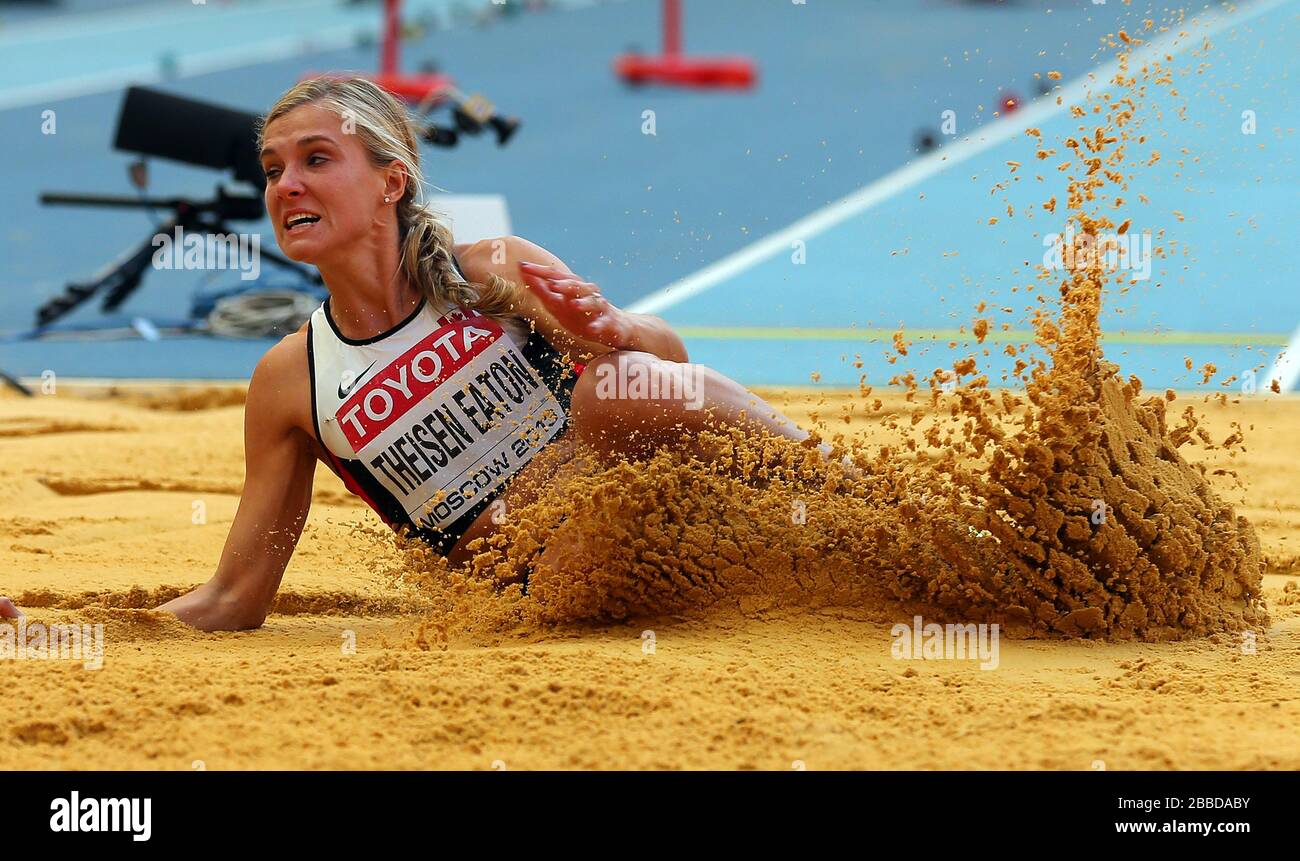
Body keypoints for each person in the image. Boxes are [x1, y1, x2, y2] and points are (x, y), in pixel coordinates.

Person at [0, 77, 845, 632]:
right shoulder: (290, 380)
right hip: (528, 587)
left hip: (649, 532)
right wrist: (54, 632)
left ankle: (884, 514)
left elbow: (662, 366)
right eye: (273, 169)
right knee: (608, 399)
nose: (285, 185)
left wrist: (620, 329)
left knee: (611, 390)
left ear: (392, 181)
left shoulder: (493, 271)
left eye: (315, 160)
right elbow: (235, 597)